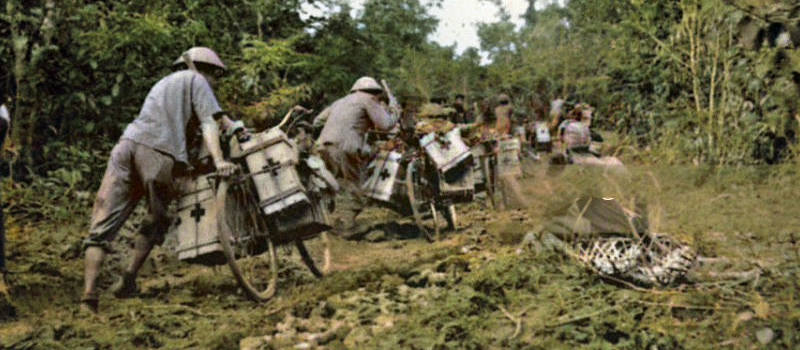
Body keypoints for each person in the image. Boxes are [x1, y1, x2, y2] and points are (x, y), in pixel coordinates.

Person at [80, 47, 240, 313]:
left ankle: (88, 296)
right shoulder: (198, 81)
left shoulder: (164, 83)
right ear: (208, 71)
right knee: (157, 218)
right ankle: (129, 277)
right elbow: (209, 123)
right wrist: (220, 159)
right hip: (158, 154)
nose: (215, 84)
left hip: (127, 145)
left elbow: (214, 121)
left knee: (102, 225)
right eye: (216, 77)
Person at [312, 77, 398, 233]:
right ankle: (347, 225)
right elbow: (385, 125)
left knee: (335, 183)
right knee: (356, 184)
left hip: (323, 145)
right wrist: (394, 112)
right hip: (346, 146)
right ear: (374, 92)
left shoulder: (340, 102)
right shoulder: (368, 100)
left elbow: (317, 121)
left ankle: (329, 219)